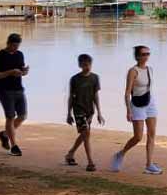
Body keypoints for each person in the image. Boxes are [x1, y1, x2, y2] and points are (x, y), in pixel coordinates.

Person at [111, 45, 161, 175]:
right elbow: (127, 93)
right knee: (138, 137)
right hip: (137, 105)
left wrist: (151, 101)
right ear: (138, 56)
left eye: (148, 54)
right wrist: (128, 110)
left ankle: (149, 165)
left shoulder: (150, 69)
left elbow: (148, 87)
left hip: (150, 102)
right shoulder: (133, 71)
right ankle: (120, 154)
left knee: (151, 134)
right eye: (144, 54)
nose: (146, 56)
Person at [0, 33, 28, 156]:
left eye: (18, 46)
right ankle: (14, 146)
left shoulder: (20, 54)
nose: (16, 48)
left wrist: (24, 72)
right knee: (10, 117)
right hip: (5, 90)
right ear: (8, 43)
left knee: (22, 116)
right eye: (14, 46)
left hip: (19, 89)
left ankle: (4, 134)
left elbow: (21, 70)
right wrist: (10, 72)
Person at [65, 54, 104, 171]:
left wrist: (99, 113)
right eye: (85, 65)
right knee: (86, 134)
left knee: (84, 135)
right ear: (80, 65)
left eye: (89, 65)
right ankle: (90, 162)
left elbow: (96, 96)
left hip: (89, 111)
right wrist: (68, 113)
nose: (87, 67)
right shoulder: (74, 79)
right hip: (78, 110)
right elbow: (71, 97)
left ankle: (70, 153)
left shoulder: (95, 78)